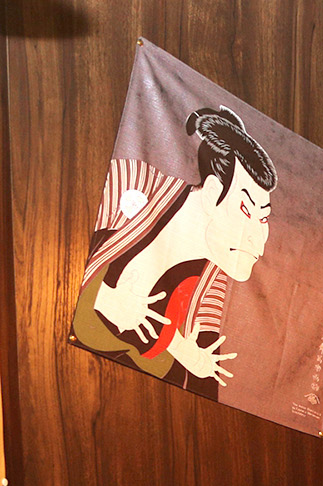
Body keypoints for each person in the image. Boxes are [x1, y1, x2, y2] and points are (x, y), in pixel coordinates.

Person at [72, 106, 275, 399]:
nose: (256, 237)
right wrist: (102, 298)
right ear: (212, 193)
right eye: (245, 210)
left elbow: (198, 358)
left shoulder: (216, 272)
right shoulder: (131, 183)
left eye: (264, 217)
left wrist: (187, 356)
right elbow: (66, 251)